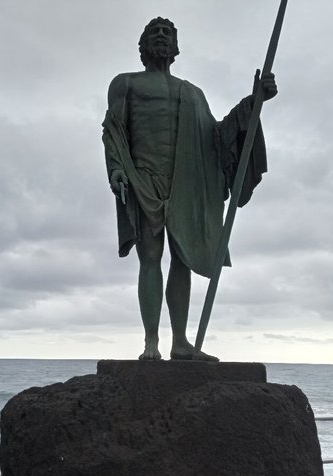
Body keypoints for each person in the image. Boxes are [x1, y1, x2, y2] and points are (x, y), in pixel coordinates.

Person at [102, 17, 277, 362]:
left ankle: (180, 342)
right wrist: (117, 171)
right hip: (144, 178)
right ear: (143, 45)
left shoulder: (193, 93)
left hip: (186, 183)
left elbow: (216, 137)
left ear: (177, 47)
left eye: (168, 33)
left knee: (182, 261)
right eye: (156, 32)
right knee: (150, 258)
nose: (163, 37)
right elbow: (114, 131)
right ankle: (151, 342)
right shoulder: (126, 84)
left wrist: (253, 102)